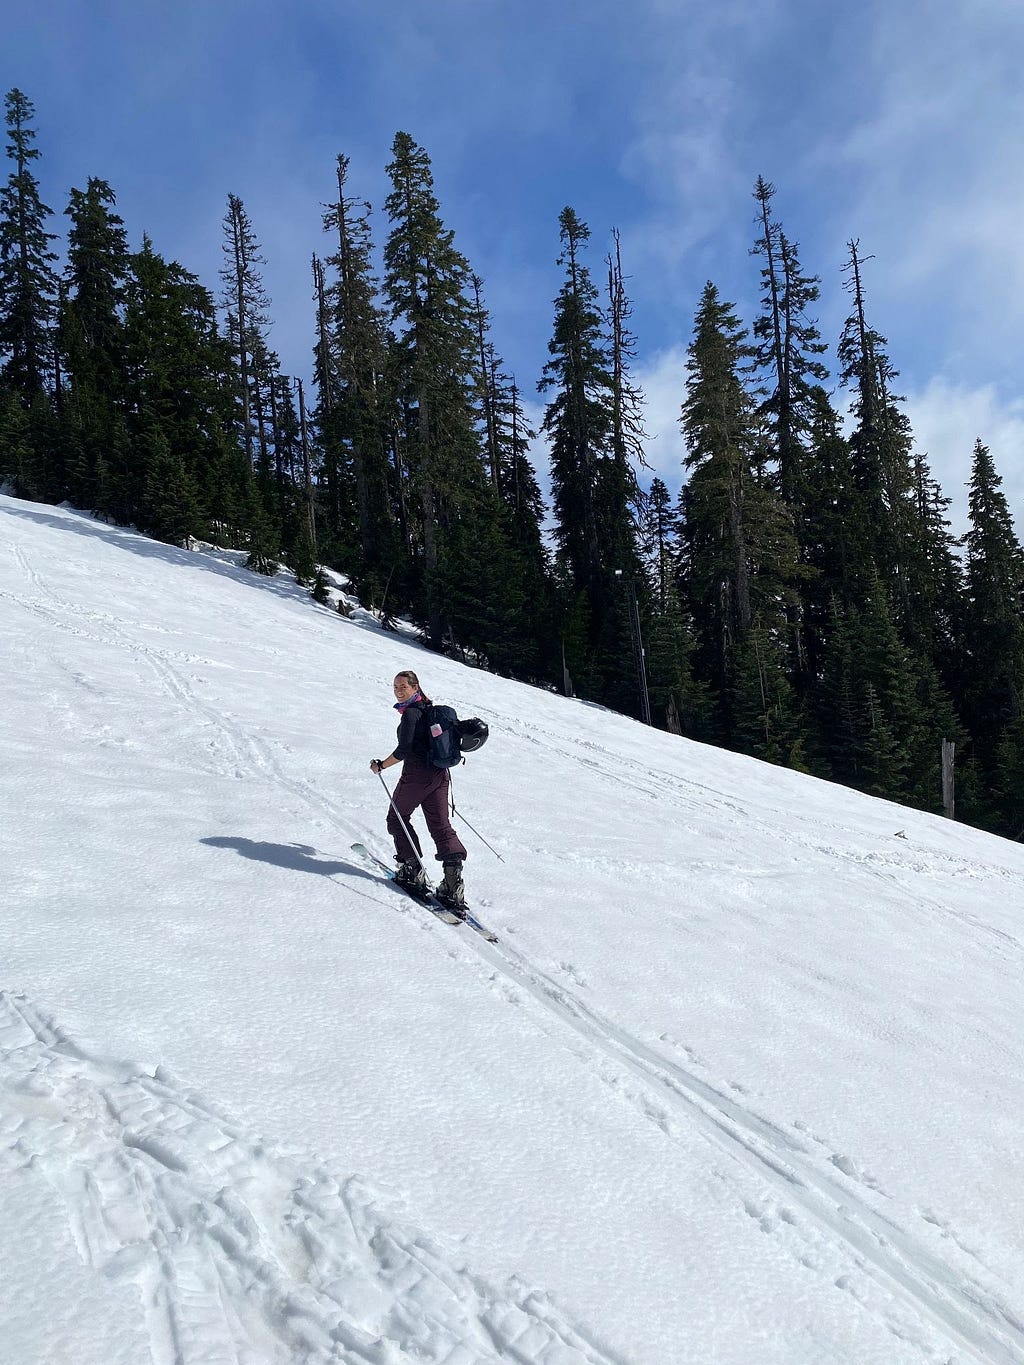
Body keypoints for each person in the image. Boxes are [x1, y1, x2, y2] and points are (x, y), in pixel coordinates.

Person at [369, 670, 468, 912]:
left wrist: (381, 765)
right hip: (439, 775)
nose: (398, 690)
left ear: (415, 688)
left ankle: (412, 869)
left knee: (397, 818)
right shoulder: (429, 710)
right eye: (395, 687)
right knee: (441, 826)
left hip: (417, 775)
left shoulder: (411, 714)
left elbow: (403, 750)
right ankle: (452, 886)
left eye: (403, 686)